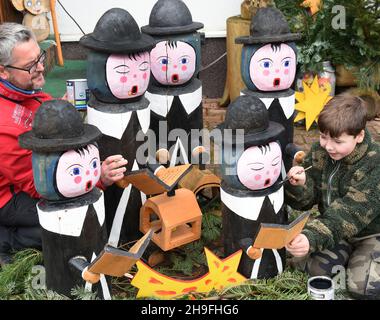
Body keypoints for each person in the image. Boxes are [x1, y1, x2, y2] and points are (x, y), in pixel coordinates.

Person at [0, 23, 127, 266]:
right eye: (30, 66)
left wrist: (59, 113)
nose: (40, 67)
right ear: (3, 72)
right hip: (8, 197)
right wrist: (97, 176)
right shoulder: (3, 126)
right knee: (65, 222)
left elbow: (38, 108)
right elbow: (40, 185)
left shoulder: (22, 88)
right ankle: (8, 240)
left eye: (40, 57)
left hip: (26, 180)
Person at [284, 92, 380, 299]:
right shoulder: (322, 150)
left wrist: (311, 237)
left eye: (337, 141)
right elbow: (305, 201)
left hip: (371, 234)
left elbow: (348, 215)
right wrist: (300, 185)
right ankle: (348, 259)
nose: (328, 146)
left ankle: (361, 261)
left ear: (360, 136)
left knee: (364, 289)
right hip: (336, 231)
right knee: (314, 271)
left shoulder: (375, 164)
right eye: (323, 136)